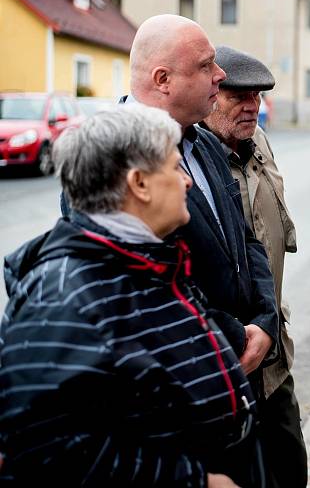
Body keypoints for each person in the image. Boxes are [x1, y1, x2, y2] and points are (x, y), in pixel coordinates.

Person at [0, 105, 250, 487]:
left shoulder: (144, 258)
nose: (187, 182)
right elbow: (48, 451)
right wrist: (195, 481)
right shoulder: (62, 295)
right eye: (174, 167)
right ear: (140, 184)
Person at [125, 14, 281, 486]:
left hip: (243, 373)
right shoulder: (115, 158)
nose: (220, 76)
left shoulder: (205, 144)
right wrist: (234, 336)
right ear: (163, 79)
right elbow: (144, 286)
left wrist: (267, 322)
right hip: (183, 389)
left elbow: (248, 240)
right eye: (207, 65)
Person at [203, 45, 307, 488]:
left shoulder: (258, 143)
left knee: (291, 468)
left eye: (258, 97)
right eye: (238, 96)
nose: (252, 107)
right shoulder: (195, 162)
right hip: (229, 356)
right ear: (211, 95)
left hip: (274, 352)